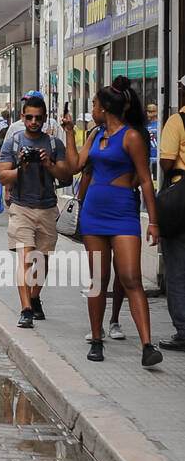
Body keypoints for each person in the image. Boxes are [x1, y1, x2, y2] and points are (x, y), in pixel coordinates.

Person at [63, 77, 163, 369]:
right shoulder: (95, 134)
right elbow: (75, 166)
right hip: (93, 213)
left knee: (131, 277)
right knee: (99, 279)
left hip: (123, 214)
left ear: (106, 108)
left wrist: (153, 222)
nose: (92, 109)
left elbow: (146, 180)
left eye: (94, 104)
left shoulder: (131, 137)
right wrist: (68, 133)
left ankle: (147, 345)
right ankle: (96, 339)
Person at [0, 93, 70, 329]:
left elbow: (66, 176)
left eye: (38, 118)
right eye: (29, 117)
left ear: (45, 118)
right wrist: (21, 167)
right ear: (22, 117)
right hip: (21, 208)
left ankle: (35, 297)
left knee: (42, 261)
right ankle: (26, 309)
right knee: (26, 259)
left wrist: (48, 164)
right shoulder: (13, 142)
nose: (34, 122)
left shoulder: (54, 144)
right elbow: (2, 176)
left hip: (47, 208)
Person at [157, 78, 185, 351]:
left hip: (181, 199)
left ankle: (184, 331)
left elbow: (166, 162)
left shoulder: (177, 122)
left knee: (177, 267)